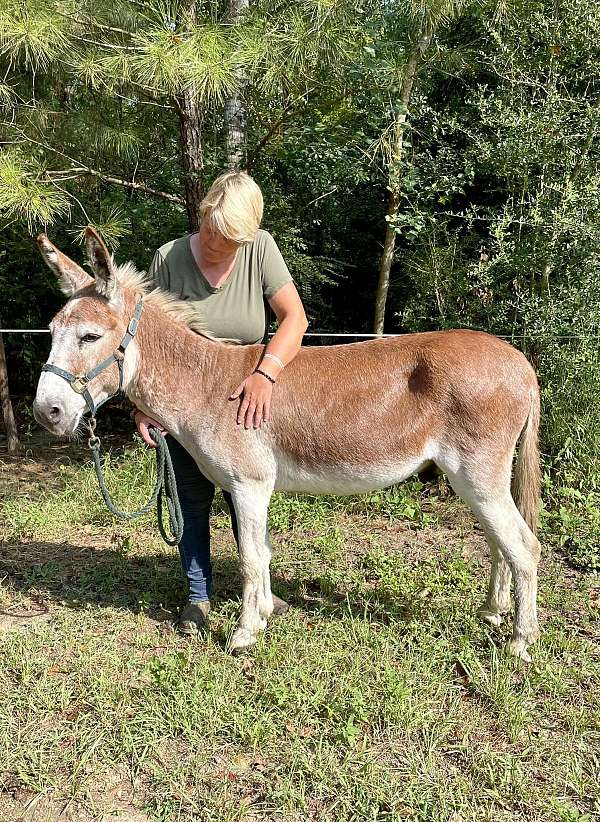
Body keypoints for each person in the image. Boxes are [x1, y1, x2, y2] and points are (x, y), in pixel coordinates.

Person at [133, 171, 308, 634]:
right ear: (205, 213)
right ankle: (197, 595)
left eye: (229, 238)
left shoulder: (262, 248)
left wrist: (266, 374)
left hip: (242, 396)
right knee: (190, 498)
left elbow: (294, 319)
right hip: (182, 403)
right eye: (211, 229)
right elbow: (144, 340)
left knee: (245, 498)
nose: (215, 242)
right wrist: (143, 406)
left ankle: (261, 589)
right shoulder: (168, 257)